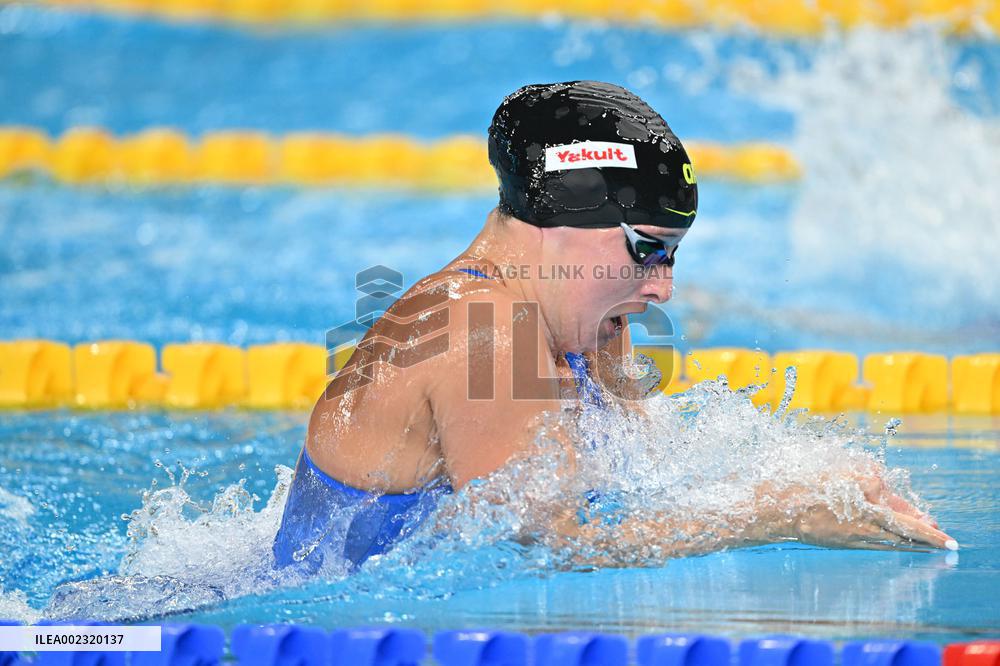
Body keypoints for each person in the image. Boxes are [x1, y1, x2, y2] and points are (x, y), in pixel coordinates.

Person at [272, 81, 955, 574]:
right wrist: (781, 515)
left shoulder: (590, 324)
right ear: (562, 225)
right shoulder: (482, 325)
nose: (663, 286)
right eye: (646, 249)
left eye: (674, 254)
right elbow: (560, 542)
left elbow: (649, 479)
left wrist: (820, 479)